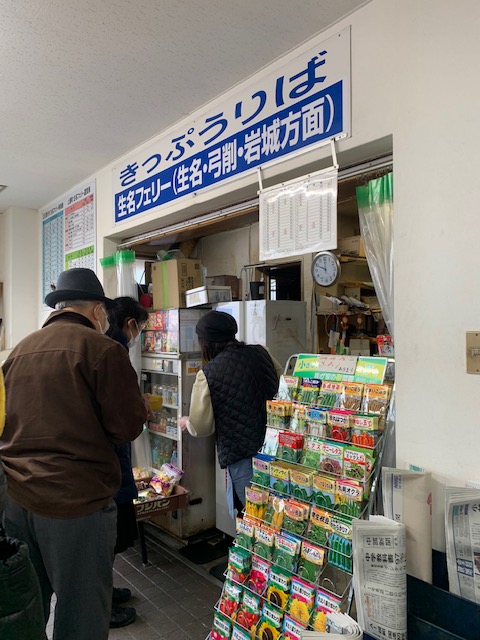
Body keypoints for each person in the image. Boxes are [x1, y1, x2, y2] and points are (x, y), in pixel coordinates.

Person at [0, 268, 147, 640]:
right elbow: (126, 428)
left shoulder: (19, 350)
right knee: (81, 612)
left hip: (16, 498)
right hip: (75, 502)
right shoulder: (102, 349)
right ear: (97, 310)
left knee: (30, 608)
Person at [179, 310, 282, 514]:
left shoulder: (208, 373)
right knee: (278, 512)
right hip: (276, 447)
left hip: (242, 455)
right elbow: (283, 385)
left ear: (205, 342)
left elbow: (201, 427)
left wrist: (187, 422)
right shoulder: (263, 353)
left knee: (253, 514)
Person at [105, 296, 148, 629]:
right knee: (106, 541)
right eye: (141, 327)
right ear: (130, 323)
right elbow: (124, 418)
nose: (139, 335)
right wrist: (141, 411)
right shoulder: (113, 353)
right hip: (110, 466)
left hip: (108, 462)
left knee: (108, 540)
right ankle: (102, 606)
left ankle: (105, 592)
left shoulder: (102, 348)